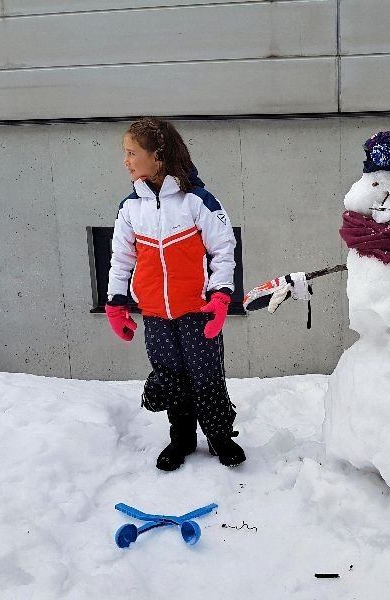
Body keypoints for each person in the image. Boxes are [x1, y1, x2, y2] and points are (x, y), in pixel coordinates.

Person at [105, 116, 245, 470]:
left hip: (197, 312)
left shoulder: (196, 201)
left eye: (132, 152)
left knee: (206, 376)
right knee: (171, 378)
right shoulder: (130, 208)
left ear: (159, 156)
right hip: (155, 316)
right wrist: (116, 305)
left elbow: (223, 249)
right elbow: (120, 260)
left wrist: (221, 297)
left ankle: (219, 437)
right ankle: (181, 439)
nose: (126, 160)